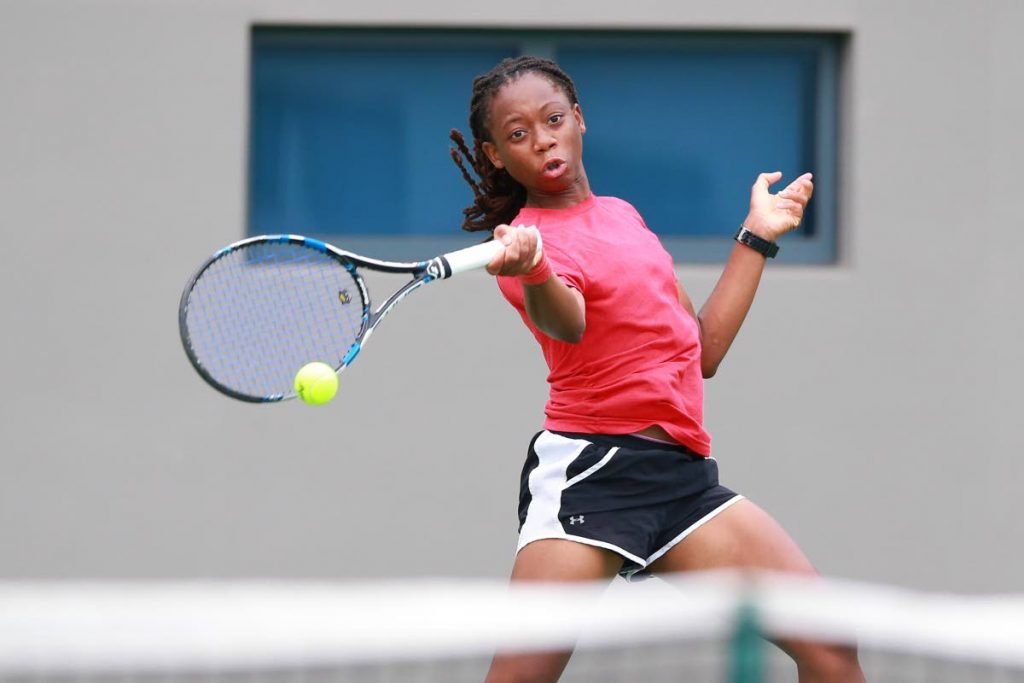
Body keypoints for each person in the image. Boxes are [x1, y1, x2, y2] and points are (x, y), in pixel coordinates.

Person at [449, 56, 865, 683]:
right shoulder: (525, 243)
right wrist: (533, 268)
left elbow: (702, 351)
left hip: (680, 481)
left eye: (553, 119)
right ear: (495, 156)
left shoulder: (621, 215)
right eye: (517, 134)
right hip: (592, 477)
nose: (542, 139)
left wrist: (757, 233)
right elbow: (568, 321)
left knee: (831, 648)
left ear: (579, 120)